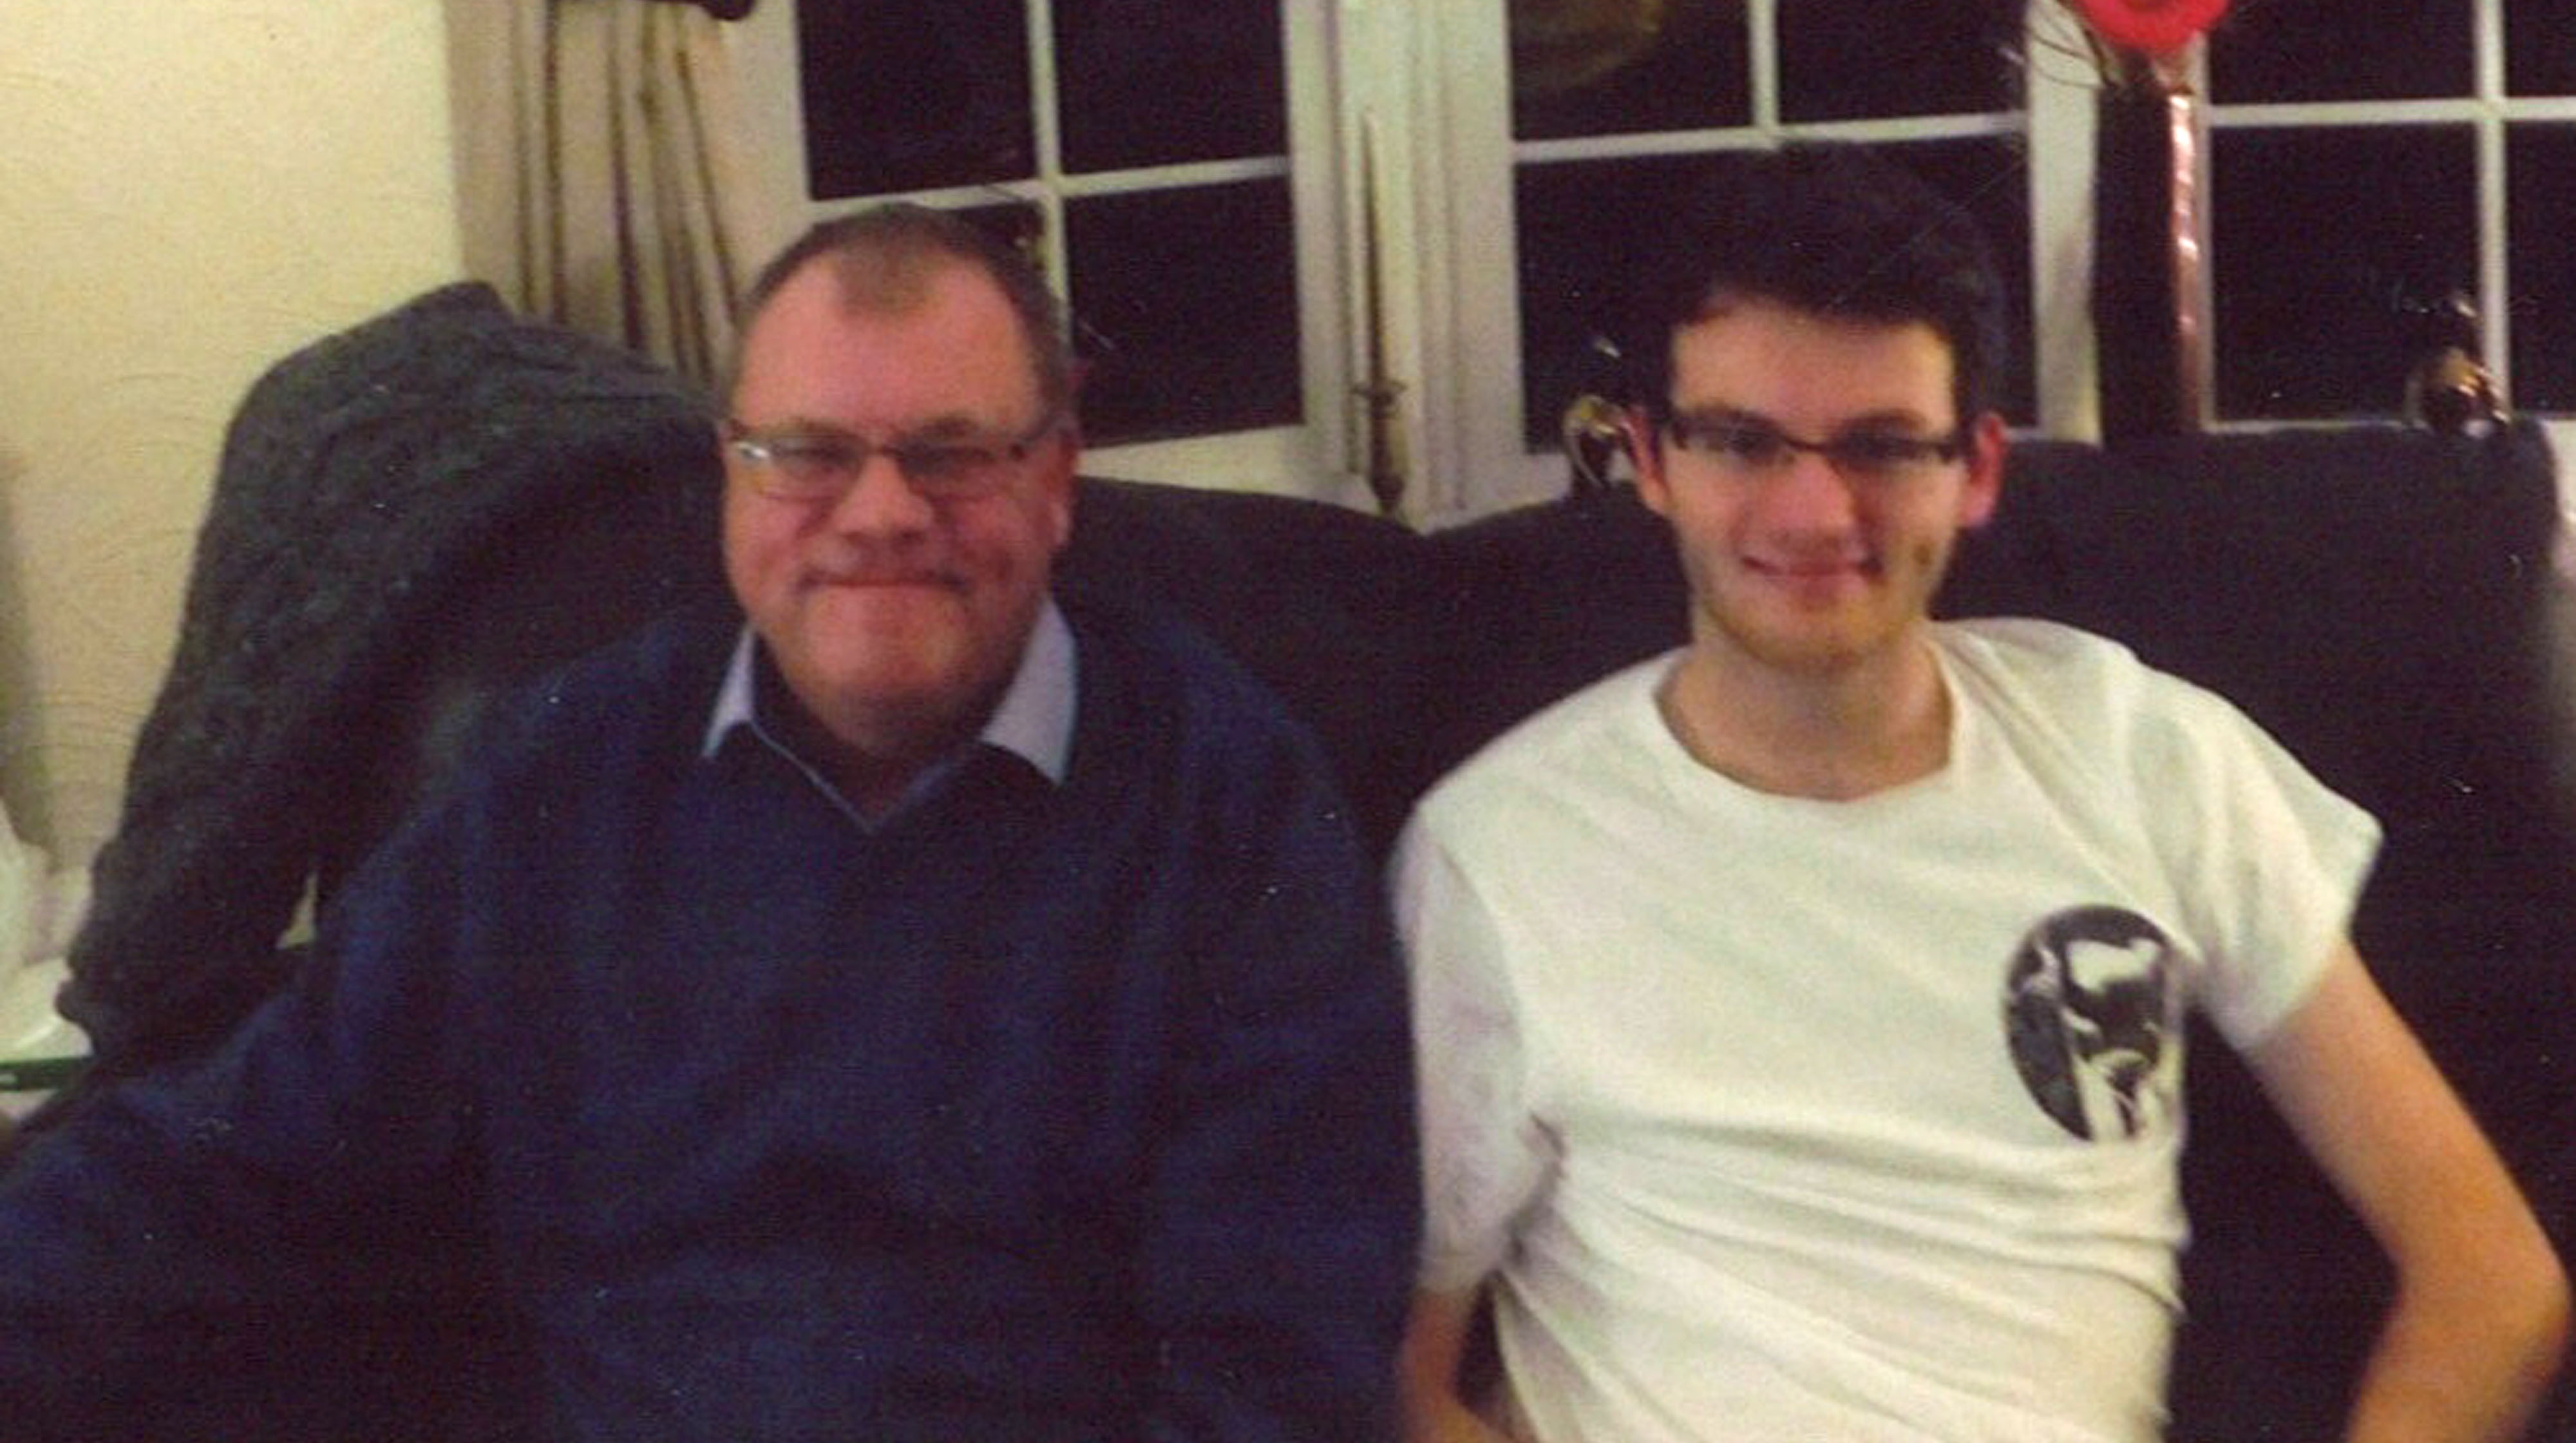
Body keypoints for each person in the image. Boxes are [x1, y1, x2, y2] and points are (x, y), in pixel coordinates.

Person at [0, 204, 1418, 1440]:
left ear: (1053, 482)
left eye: (950, 454)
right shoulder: (566, 768)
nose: (878, 513)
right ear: (730, 479)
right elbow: (242, 1145)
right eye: (806, 453)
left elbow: (1278, 1370)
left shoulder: (1227, 803)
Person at [1393, 144, 2567, 1443]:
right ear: (1649, 461)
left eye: (1883, 446)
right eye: (1740, 441)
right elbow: (1398, 1377)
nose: (1812, 510)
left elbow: (2489, 1272)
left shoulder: (2138, 753)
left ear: (1978, 470)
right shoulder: (1495, 850)